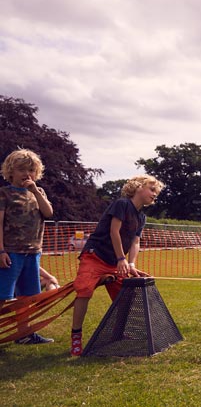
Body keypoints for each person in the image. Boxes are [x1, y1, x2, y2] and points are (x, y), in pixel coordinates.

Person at [70, 174, 164, 356]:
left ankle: (117, 333)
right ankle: (76, 337)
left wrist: (130, 263)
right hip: (95, 256)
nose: (155, 195)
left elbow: (135, 242)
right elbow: (115, 232)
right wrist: (121, 259)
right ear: (138, 187)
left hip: (116, 263)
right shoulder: (122, 204)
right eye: (152, 190)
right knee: (84, 291)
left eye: (156, 193)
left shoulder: (142, 217)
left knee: (125, 296)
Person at [0, 149, 55, 344]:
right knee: (3, 295)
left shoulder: (38, 192)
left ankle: (23, 334)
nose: (27, 174)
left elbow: (48, 213)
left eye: (31, 169)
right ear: (10, 171)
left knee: (28, 297)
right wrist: (1, 251)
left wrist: (35, 191)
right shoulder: (4, 193)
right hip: (11, 252)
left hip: (33, 252)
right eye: (22, 169)